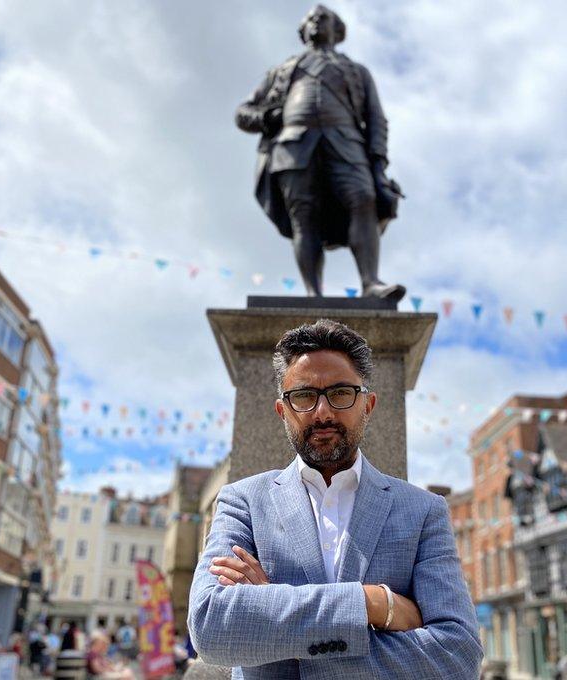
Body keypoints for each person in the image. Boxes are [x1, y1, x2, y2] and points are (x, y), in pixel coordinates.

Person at [189, 319, 484, 678]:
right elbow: (211, 627)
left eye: (341, 393)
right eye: (303, 396)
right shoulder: (243, 502)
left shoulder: (424, 512)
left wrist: (272, 612)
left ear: (368, 405)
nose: (323, 412)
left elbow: (458, 656)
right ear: (283, 411)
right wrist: (375, 604)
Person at [235, 5, 405, 301]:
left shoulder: (356, 71)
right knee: (304, 216)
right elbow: (243, 112)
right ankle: (312, 292)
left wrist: (378, 165)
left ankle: (370, 282)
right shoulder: (282, 71)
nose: (315, 22)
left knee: (364, 200)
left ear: (338, 30)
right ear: (302, 31)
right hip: (293, 145)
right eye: (310, 19)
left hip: (346, 142)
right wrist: (266, 119)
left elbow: (377, 119)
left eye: (322, 18)